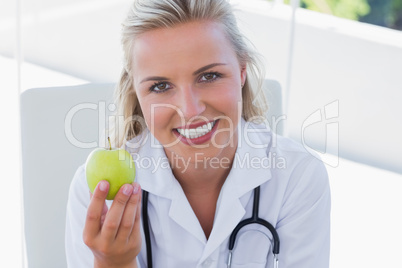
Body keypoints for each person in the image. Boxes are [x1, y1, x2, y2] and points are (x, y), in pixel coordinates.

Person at [65, 0, 331, 267]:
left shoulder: (298, 177)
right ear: (136, 92)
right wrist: (115, 262)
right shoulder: (99, 197)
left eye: (209, 76)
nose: (190, 110)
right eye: (160, 86)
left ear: (241, 72)